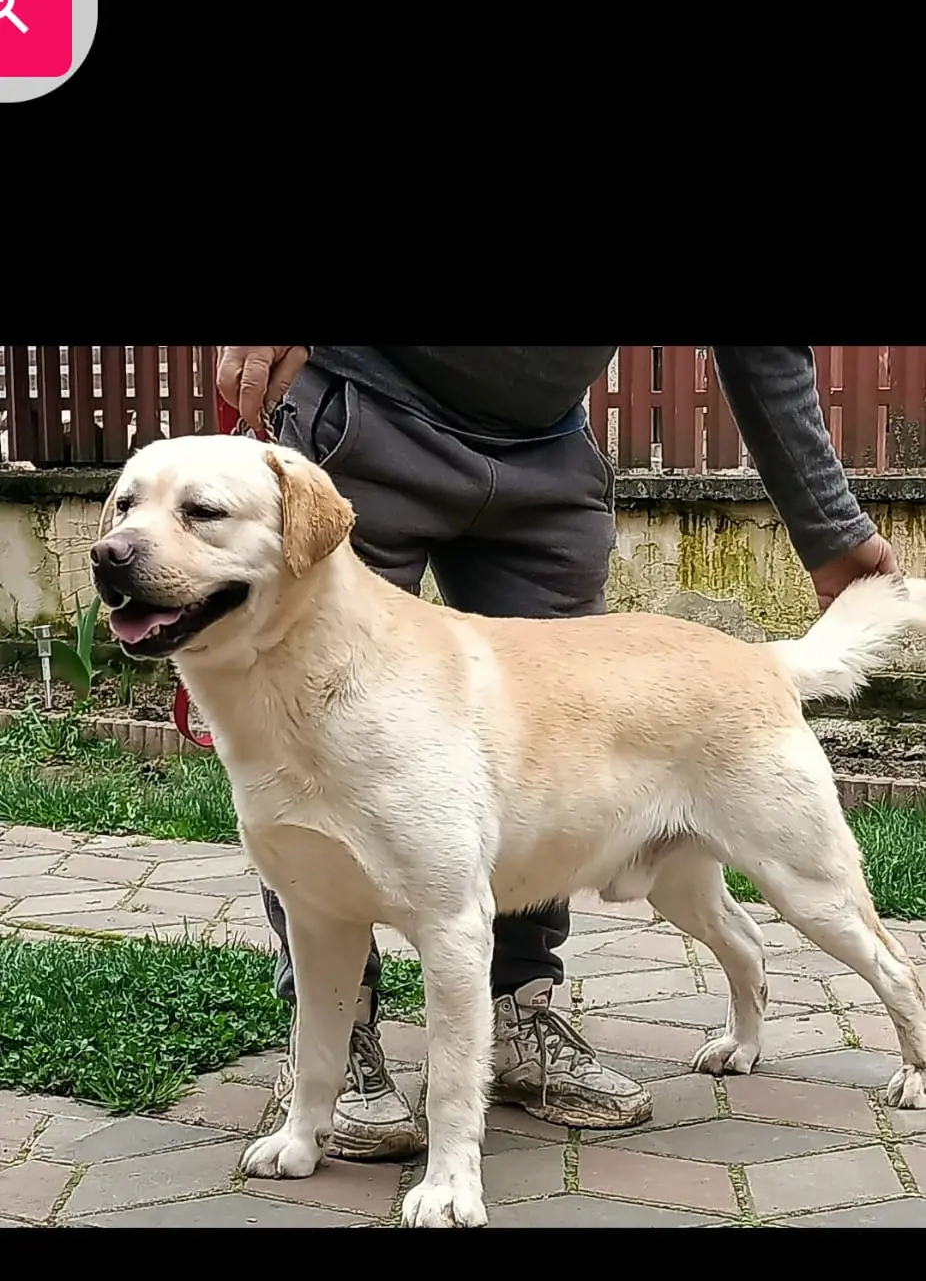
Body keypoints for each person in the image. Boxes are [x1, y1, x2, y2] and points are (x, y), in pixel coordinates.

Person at [216, 344, 898, 1162]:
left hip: (547, 445)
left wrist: (828, 526)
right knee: (319, 753)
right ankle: (339, 1053)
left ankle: (520, 1005)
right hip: (366, 413)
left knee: (555, 755)